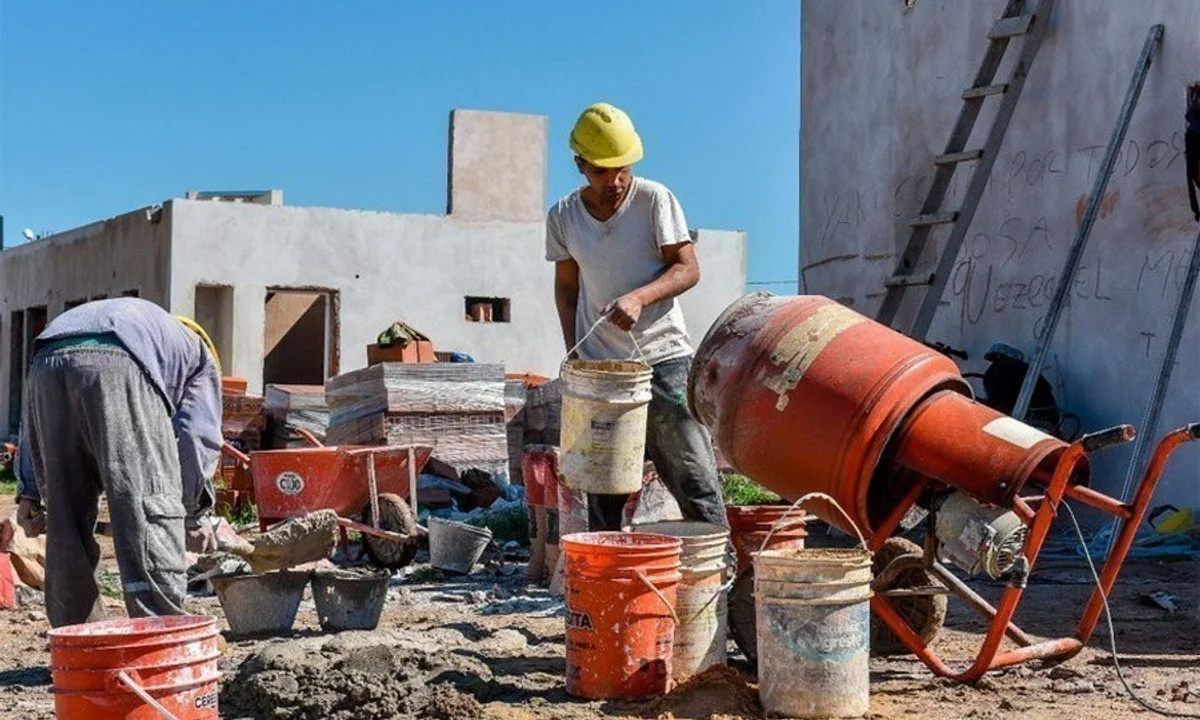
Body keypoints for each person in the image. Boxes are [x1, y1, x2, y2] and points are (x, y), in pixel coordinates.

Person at [546, 102, 727, 531]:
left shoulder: (653, 201)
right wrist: (575, 359)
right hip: (602, 374)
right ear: (580, 165)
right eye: (602, 171)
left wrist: (640, 298)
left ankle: (719, 586)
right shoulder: (563, 217)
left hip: (662, 360)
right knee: (604, 494)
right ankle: (609, 588)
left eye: (622, 168)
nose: (614, 180)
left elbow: (688, 268)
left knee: (694, 480)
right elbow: (567, 289)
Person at [14, 298, 223, 627]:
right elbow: (197, 435)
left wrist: (29, 492)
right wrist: (193, 512)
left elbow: (32, 424)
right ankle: (160, 633)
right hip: (120, 360)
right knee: (149, 505)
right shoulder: (199, 357)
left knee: (64, 518)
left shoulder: (154, 331)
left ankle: (78, 644)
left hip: (46, 360)